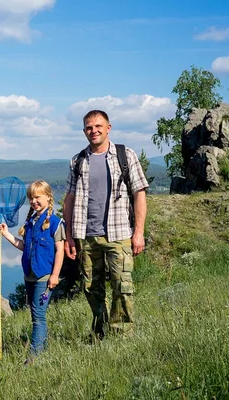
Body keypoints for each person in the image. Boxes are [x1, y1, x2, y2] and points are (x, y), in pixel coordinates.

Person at [63, 110, 148, 339]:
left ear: (108, 127)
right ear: (84, 131)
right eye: (89, 128)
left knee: (123, 286)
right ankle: (100, 329)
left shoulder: (125, 155)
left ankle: (121, 334)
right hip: (87, 236)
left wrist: (138, 233)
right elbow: (69, 199)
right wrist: (69, 236)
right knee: (91, 287)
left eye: (98, 126)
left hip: (119, 233)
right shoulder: (78, 160)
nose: (94, 131)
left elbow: (139, 193)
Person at [0, 180, 65, 364]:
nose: (34, 201)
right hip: (29, 275)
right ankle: (42, 347)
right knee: (35, 314)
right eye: (31, 198)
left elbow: (60, 251)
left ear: (48, 197)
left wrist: (55, 276)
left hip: (44, 276)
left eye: (37, 197)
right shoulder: (30, 222)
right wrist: (7, 235)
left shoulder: (55, 222)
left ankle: (35, 356)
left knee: (38, 315)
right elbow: (24, 246)